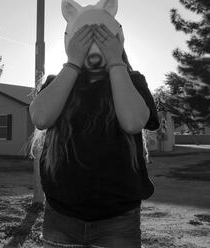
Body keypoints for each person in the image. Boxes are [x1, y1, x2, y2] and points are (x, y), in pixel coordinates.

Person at [30, 23, 160, 248]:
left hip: (118, 219)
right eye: (85, 41)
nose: (93, 48)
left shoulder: (133, 82)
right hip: (61, 215)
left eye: (101, 41)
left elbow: (132, 122)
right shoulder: (57, 82)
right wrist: (72, 63)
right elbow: (41, 118)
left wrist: (116, 61)